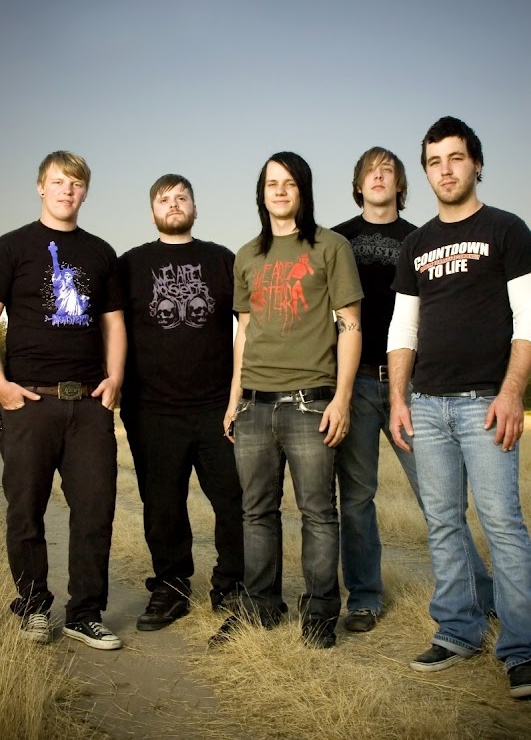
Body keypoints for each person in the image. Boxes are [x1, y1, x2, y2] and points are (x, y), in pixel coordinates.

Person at [388, 116, 531, 699]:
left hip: (485, 404)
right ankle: (458, 631)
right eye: (434, 162)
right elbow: (404, 328)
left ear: (476, 163)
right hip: (426, 405)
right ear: (425, 173)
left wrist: (512, 392)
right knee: (443, 522)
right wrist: (398, 399)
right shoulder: (416, 244)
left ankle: (522, 649)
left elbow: (528, 317)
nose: (445, 170)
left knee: (502, 524)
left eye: (455, 158)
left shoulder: (507, 229)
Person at [333, 147, 493, 632]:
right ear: (358, 185)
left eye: (388, 171)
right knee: (357, 499)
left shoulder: (423, 240)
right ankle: (364, 598)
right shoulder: (337, 241)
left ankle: (479, 593)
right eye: (369, 172)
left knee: (438, 498)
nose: (379, 177)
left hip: (416, 387)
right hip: (357, 384)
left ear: (401, 185)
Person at [211, 151, 363, 649]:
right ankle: (261, 606)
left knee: (317, 512)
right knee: (256, 512)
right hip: (254, 405)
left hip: (309, 402)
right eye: (271, 183)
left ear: (303, 190)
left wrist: (341, 399)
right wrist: (234, 399)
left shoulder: (331, 247)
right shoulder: (247, 255)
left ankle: (319, 612)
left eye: (289, 183)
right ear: (261, 193)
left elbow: (350, 325)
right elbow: (244, 331)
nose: (279, 190)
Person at [0, 151, 126, 649]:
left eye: (75, 183)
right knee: (25, 510)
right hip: (29, 403)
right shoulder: (12, 246)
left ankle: (84, 613)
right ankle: (33, 606)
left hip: (88, 406)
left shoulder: (100, 252)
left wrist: (115, 379)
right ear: (40, 187)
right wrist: (0, 384)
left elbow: (113, 322)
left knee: (95, 510)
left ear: (84, 191)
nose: (66, 190)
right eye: (57, 182)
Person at [119, 174, 244, 630]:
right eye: (164, 199)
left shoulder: (222, 259)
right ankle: (171, 588)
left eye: (181, 198)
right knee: (162, 505)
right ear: (152, 210)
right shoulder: (130, 264)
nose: (173, 205)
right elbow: (109, 329)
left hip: (217, 408)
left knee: (233, 499)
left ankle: (232, 586)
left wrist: (240, 395)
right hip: (151, 409)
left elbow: (250, 328)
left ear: (195, 207)